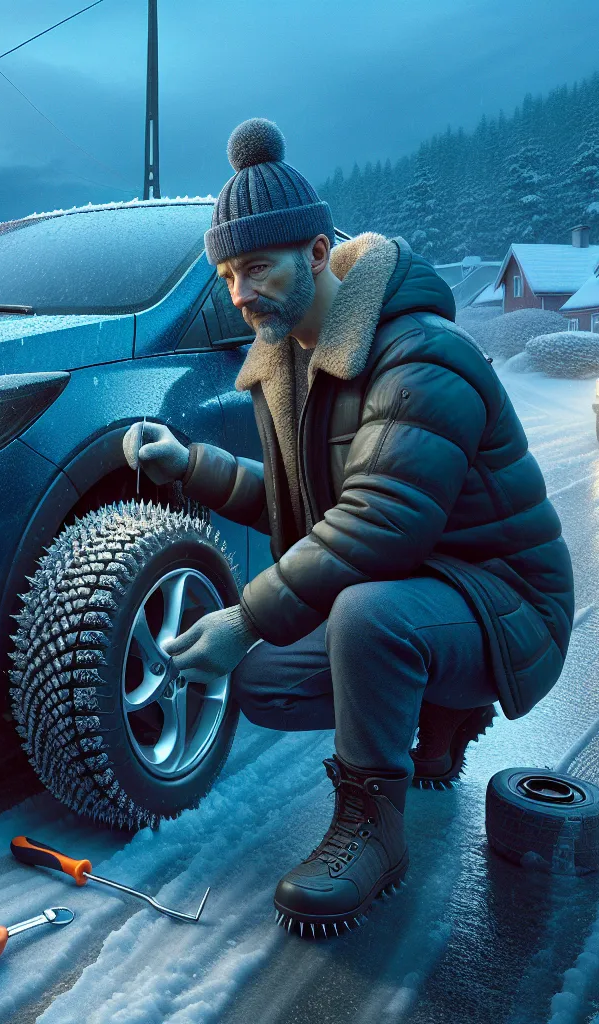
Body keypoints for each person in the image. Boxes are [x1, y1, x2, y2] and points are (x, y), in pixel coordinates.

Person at [124, 118, 573, 937]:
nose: (240, 292)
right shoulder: (293, 364)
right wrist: (187, 464)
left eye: (257, 266)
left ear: (319, 254)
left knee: (366, 616)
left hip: (503, 601)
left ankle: (373, 830)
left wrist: (245, 614)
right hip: (421, 590)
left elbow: (382, 520)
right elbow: (303, 505)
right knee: (264, 681)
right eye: (228, 273)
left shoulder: (420, 353)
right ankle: (438, 717)